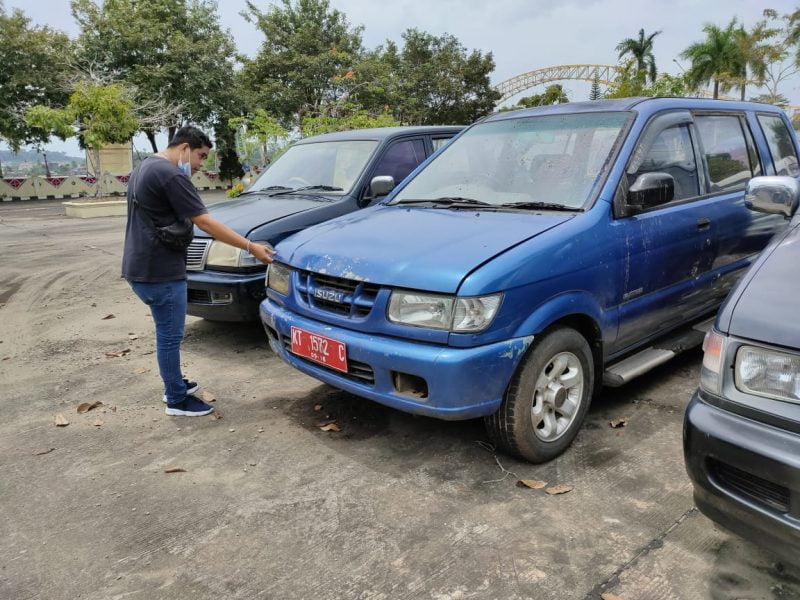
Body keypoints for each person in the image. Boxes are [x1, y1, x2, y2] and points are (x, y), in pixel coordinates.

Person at [122, 126, 275, 416]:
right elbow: (205, 222)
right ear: (184, 149)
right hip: (160, 271)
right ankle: (176, 399)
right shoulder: (170, 174)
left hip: (140, 266)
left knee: (166, 332)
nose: (200, 165)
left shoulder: (145, 167)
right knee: (169, 336)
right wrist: (250, 246)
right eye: (201, 156)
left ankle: (175, 382)